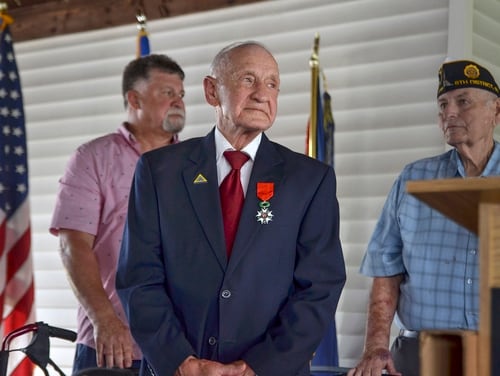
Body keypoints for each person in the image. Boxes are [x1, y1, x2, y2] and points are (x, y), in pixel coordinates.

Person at [115, 41, 346, 376]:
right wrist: (181, 362)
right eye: (248, 80)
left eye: (272, 84)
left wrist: (256, 368)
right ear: (212, 91)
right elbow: (139, 279)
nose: (262, 94)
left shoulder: (310, 180)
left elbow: (319, 288)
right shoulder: (158, 171)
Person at [348, 59, 500, 376]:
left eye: (463, 102)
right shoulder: (413, 180)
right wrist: (376, 346)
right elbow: (385, 269)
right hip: (421, 357)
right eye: (443, 104)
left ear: (495, 112)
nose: (450, 113)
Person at [50, 53, 186, 374]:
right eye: (167, 93)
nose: (178, 101)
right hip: (114, 345)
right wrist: (105, 318)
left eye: (181, 94)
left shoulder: (197, 164)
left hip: (181, 347)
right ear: (134, 98)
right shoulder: (93, 158)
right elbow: (74, 245)